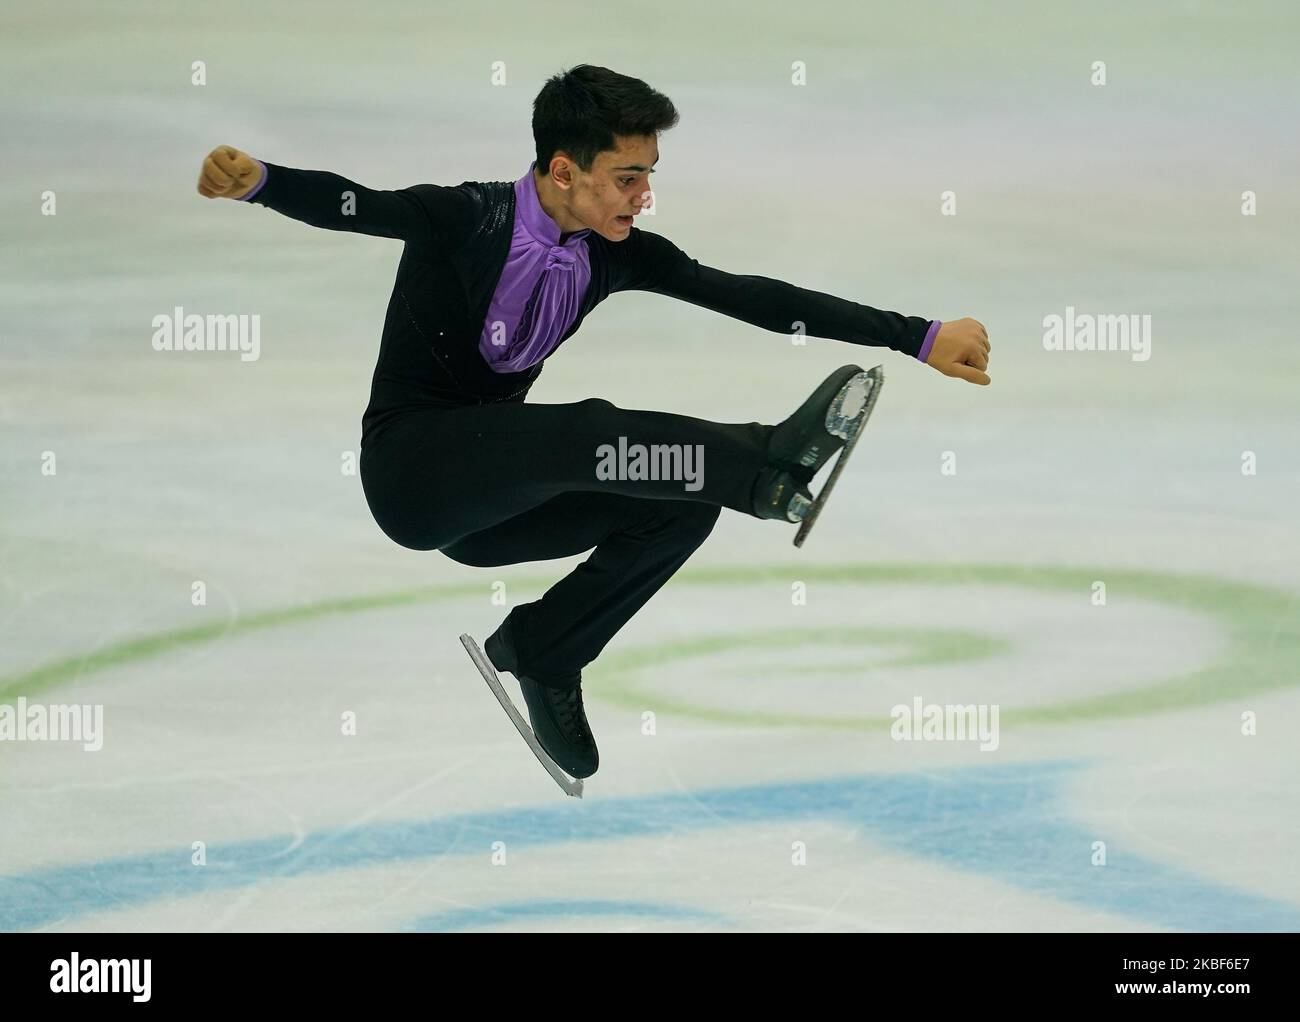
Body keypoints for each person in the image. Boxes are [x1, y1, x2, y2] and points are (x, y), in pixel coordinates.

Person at [196, 64, 991, 779]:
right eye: (627, 177)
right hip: (414, 475)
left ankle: (545, 650)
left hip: (494, 511)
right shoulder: (464, 219)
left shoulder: (614, 253)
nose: (643, 195)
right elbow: (358, 206)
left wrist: (915, 335)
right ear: (563, 171)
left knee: (677, 504)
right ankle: (766, 466)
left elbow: (751, 294)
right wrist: (260, 180)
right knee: (589, 431)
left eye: (649, 176)